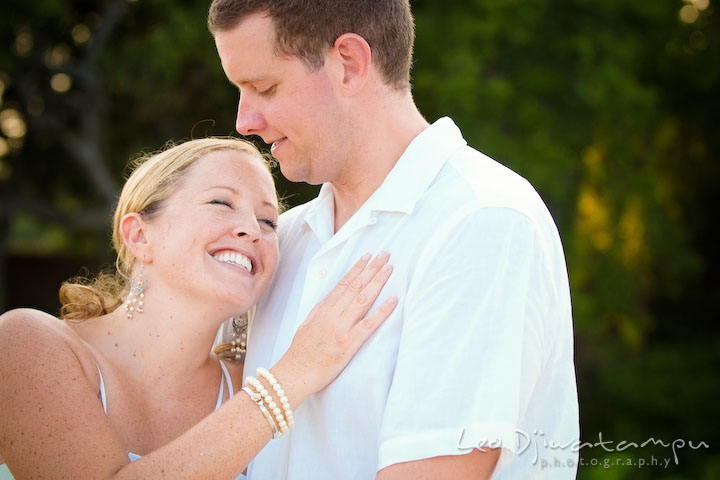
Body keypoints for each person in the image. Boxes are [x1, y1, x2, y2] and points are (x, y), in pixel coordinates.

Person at [208, 0, 580, 478]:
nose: (244, 122)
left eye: (264, 87)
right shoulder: (283, 239)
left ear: (348, 63)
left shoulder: (480, 220)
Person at [0, 137, 398, 479]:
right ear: (139, 236)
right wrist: (290, 379)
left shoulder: (248, 383)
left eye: (268, 221)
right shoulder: (28, 344)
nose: (251, 230)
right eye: (221, 202)